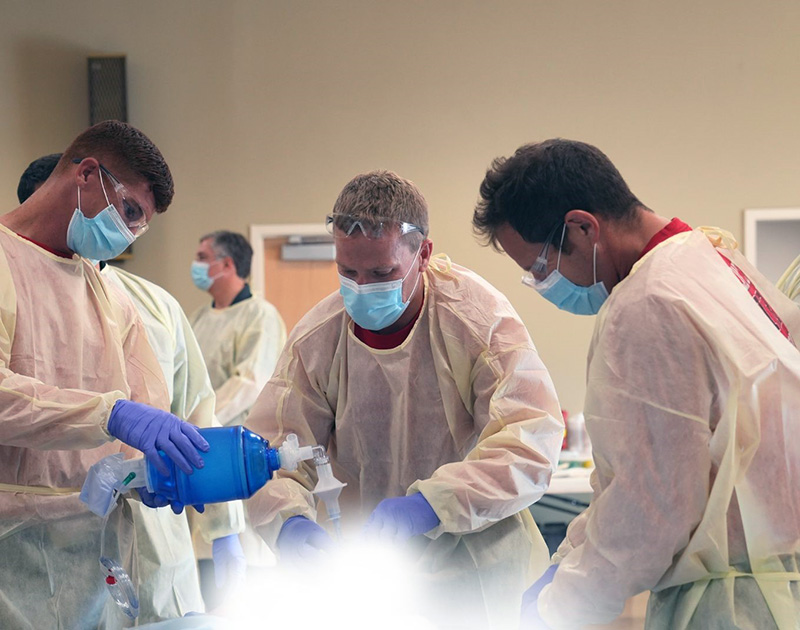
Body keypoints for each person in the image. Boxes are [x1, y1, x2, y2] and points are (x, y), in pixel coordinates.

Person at [472, 139, 800, 629]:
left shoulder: (648, 305)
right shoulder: (707, 257)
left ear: (582, 228)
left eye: (539, 268)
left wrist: (559, 608)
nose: (544, 286)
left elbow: (649, 513)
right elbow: (647, 475)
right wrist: (569, 560)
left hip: (737, 608)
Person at [244, 171, 564, 629]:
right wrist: (288, 521)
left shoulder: (477, 321)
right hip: (372, 576)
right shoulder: (318, 339)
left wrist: (433, 503)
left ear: (424, 254)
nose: (361, 287)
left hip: (479, 568)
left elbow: (530, 440)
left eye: (381, 273)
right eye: (346, 272)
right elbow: (272, 448)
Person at [0, 121, 215, 629]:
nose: (128, 234)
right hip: (13, 554)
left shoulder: (109, 294)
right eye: (130, 212)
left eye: (140, 226)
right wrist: (109, 413)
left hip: (99, 558)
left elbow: (149, 405)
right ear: (88, 173)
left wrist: (154, 469)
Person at [189, 230, 287, 592]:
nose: (196, 265)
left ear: (227, 264)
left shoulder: (260, 315)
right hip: (200, 451)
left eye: (202, 256)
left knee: (245, 571)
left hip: (236, 453)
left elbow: (251, 381)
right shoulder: (199, 318)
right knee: (205, 567)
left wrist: (198, 423)